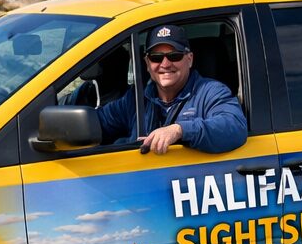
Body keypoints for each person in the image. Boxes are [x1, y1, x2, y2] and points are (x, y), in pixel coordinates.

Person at [97, 24, 247, 155]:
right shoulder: (136, 99)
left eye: (174, 56)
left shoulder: (211, 92)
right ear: (147, 63)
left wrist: (179, 130)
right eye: (156, 57)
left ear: (189, 59)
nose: (165, 64)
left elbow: (234, 127)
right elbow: (99, 121)